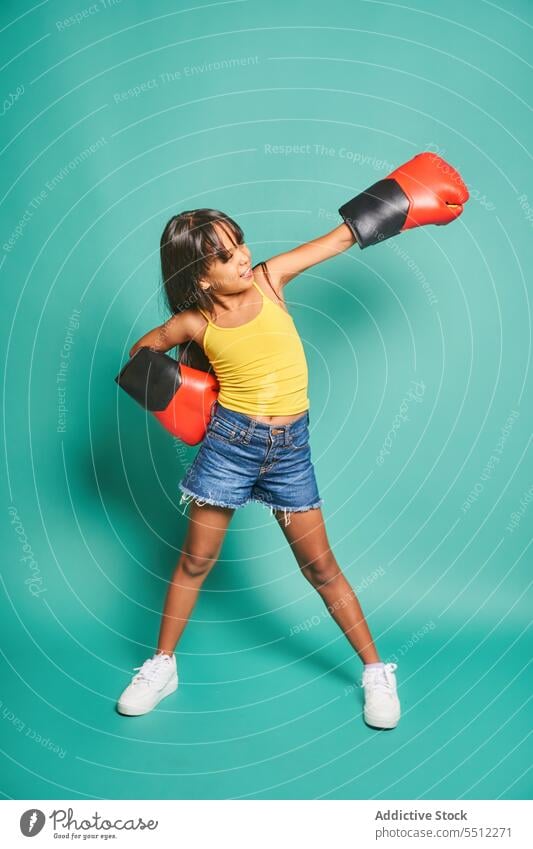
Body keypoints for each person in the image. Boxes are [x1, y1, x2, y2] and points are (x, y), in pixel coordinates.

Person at [116, 208, 400, 729]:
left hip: (289, 453)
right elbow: (142, 352)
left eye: (240, 243)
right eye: (226, 255)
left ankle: (376, 672)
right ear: (202, 275)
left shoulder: (270, 280)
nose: (243, 256)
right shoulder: (194, 323)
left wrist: (400, 201)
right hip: (229, 449)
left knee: (320, 567)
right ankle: (161, 666)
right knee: (196, 561)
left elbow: (336, 239)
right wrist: (186, 394)